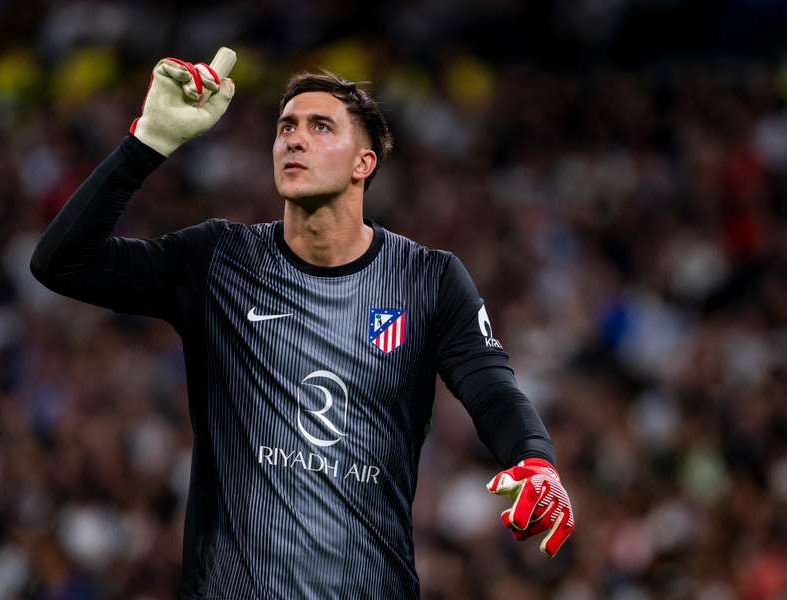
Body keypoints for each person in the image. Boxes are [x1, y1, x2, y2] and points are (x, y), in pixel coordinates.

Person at [30, 47, 574, 599]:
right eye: (286, 126)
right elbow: (60, 263)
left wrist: (536, 460)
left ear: (364, 162)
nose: (294, 138)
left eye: (320, 127)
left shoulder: (428, 279)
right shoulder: (219, 261)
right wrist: (145, 144)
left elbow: (491, 387)